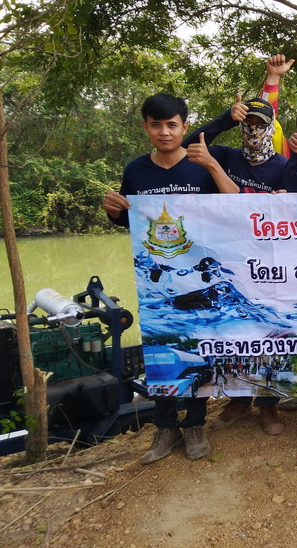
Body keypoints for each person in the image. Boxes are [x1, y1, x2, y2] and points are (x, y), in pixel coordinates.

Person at [102, 92, 240, 464]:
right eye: (156, 125)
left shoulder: (200, 166)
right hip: (156, 281)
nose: (164, 132)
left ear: (184, 126)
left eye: (172, 125)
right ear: (145, 127)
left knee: (195, 346)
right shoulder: (136, 171)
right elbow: (130, 220)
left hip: (197, 279)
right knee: (159, 346)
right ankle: (165, 427)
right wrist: (113, 211)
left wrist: (213, 166)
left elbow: (236, 207)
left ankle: (194, 424)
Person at [184, 94, 297, 435]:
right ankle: (238, 401)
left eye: (260, 124)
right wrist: (225, 118)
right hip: (229, 260)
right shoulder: (226, 157)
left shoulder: (283, 165)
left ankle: (268, 405)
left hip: (270, 263)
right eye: (248, 124)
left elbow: (295, 204)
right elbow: (186, 146)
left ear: (272, 128)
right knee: (235, 331)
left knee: (270, 333)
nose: (254, 130)